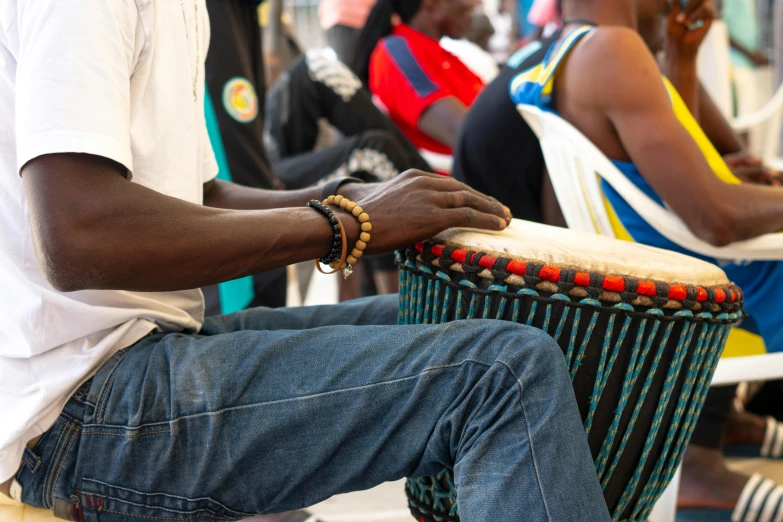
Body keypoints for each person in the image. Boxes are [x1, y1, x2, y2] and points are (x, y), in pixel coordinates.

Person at [0, 1, 614, 522]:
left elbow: (200, 194)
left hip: (139, 349)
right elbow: (77, 235)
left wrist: (358, 198)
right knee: (504, 373)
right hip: (73, 407)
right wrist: (344, 225)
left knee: (484, 314)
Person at [500, 0, 783, 519]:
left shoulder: (568, 53)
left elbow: (699, 167)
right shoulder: (613, 48)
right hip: (738, 299)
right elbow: (716, 216)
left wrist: (681, 56)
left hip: (691, 283)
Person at [205, 0, 432, 305]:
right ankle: (402, 308)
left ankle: (373, 294)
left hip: (265, 164)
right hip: (253, 193)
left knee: (320, 70)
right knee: (375, 150)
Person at [352, 0, 485, 158]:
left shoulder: (437, 51)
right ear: (431, 4)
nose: (472, 4)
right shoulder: (398, 52)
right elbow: (467, 135)